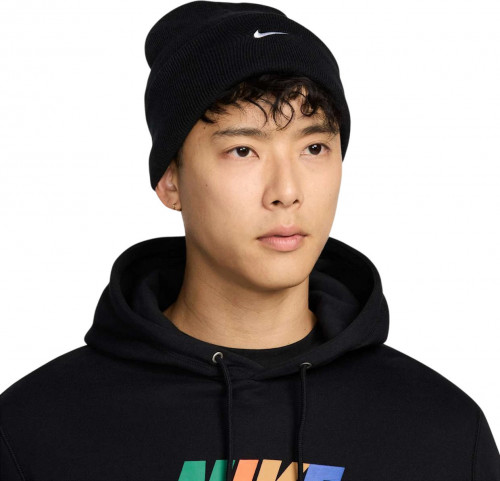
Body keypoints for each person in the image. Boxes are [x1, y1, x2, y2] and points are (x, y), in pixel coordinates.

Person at [1, 1, 499, 480]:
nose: (287, 191)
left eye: (314, 147)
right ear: (171, 180)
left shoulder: (444, 431)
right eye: (243, 150)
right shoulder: (36, 432)